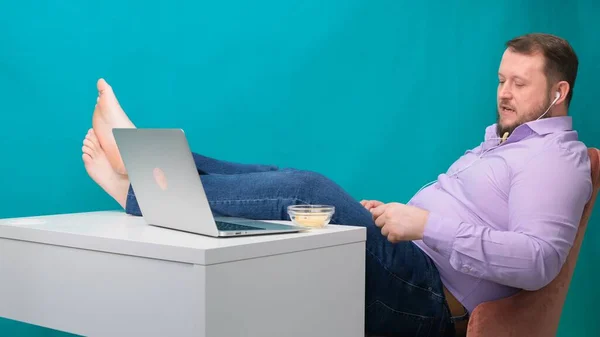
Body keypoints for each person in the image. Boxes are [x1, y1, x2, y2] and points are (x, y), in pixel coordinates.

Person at [82, 33, 592, 337]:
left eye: (518, 84)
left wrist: (426, 225)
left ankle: (133, 187)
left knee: (309, 191)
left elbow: (537, 260)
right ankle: (136, 170)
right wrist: (397, 219)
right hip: (410, 263)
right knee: (275, 183)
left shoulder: (556, 159)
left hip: (430, 301)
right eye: (500, 80)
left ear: (559, 91)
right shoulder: (504, 144)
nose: (503, 93)